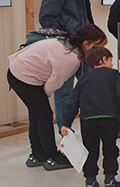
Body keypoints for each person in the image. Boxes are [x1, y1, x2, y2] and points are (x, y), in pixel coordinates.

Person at [7, 24, 107, 170]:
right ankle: (52, 157)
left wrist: (41, 97)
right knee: (44, 115)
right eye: (97, 46)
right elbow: (54, 82)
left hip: (18, 70)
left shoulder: (67, 42)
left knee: (37, 114)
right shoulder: (71, 59)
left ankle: (37, 154)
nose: (100, 51)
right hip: (23, 77)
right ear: (86, 44)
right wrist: (43, 96)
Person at [39, 0, 104, 136]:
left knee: (92, 87)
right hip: (67, 49)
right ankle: (65, 134)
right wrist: (69, 38)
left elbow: (84, 16)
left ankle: (95, 129)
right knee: (65, 94)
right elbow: (46, 18)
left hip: (84, 47)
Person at [60, 46, 120, 187]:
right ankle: (110, 180)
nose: (112, 64)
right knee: (110, 148)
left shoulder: (83, 79)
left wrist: (66, 123)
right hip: (109, 118)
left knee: (90, 150)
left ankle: (90, 182)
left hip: (88, 120)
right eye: (110, 60)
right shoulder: (114, 75)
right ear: (103, 59)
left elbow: (72, 102)